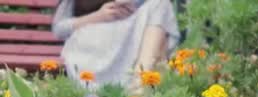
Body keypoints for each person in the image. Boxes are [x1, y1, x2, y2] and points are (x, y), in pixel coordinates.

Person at [52, 0, 180, 90]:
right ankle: (141, 87)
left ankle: (140, 83)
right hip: (93, 35)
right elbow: (59, 29)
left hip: (129, 31)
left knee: (160, 4)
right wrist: (98, 16)